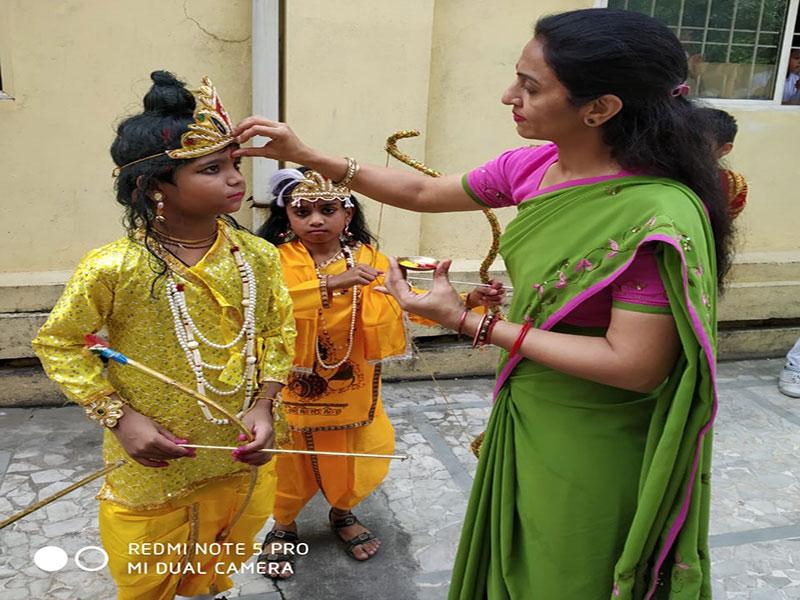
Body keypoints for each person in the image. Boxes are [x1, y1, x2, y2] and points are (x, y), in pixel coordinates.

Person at [231, 7, 731, 599]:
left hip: (599, 427)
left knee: (570, 566)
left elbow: (634, 364)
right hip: (530, 397)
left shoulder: (654, 214)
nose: (507, 96)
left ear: (600, 108)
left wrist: (467, 320)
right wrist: (308, 154)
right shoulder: (539, 165)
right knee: (518, 550)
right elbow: (421, 191)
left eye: (530, 85)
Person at [32, 71, 296, 600]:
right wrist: (120, 417)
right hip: (153, 457)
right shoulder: (113, 266)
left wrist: (265, 405)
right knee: (147, 572)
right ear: (153, 186)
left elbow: (276, 330)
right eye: (211, 168)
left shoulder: (260, 258)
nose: (236, 179)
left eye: (235, 164)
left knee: (218, 562)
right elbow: (59, 342)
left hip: (239, 448)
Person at [254, 167, 503, 576]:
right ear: (287, 216)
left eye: (327, 209)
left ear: (347, 214)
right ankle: (283, 525)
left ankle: (343, 512)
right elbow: (264, 305)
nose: (316, 220)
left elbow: (410, 304)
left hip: (353, 388)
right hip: (287, 384)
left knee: (354, 457)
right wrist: (333, 284)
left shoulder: (372, 260)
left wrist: (468, 300)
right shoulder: (271, 260)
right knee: (288, 461)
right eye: (303, 211)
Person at [699, 107, 749, 220]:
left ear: (725, 149)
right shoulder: (662, 172)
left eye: (701, 144)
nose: (691, 147)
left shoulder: (732, 184)